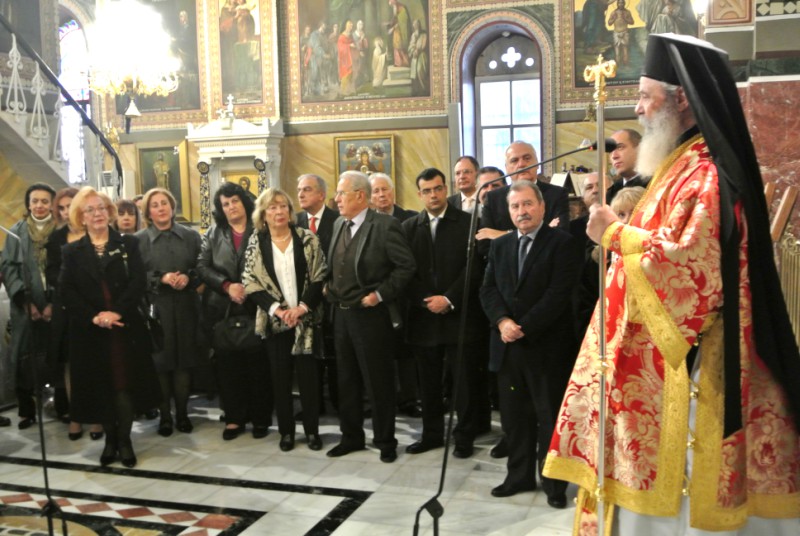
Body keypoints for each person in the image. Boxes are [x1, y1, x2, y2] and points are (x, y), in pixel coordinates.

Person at [544, 33, 800, 534]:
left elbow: (691, 267)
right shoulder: (678, 167)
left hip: (691, 366)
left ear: (681, 99)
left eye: (645, 96)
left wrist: (613, 233)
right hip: (653, 360)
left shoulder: (704, 173)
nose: (638, 109)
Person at [480, 181, 580, 507]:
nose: (521, 211)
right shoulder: (501, 245)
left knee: (548, 417)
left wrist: (522, 327)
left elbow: (558, 294)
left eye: (527, 204)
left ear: (541, 207)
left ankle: (553, 485)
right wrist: (502, 322)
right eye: (515, 206)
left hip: (546, 348)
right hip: (508, 348)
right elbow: (488, 289)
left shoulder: (562, 243)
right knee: (514, 418)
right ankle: (518, 477)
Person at [60, 187, 161, 468]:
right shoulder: (71, 251)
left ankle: (125, 440)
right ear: (81, 217)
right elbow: (67, 291)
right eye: (90, 210)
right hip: (91, 332)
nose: (97, 214)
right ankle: (110, 440)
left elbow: (138, 282)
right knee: (101, 386)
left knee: (123, 385)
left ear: (109, 212)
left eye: (101, 208)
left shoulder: (128, 244)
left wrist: (116, 311)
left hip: (125, 327)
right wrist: (94, 316)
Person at [324, 171, 416, 463]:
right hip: (341, 315)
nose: (337, 199)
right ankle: (351, 437)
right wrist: (328, 285)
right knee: (346, 380)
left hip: (371, 317)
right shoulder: (338, 223)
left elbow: (406, 266)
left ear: (360, 196)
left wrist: (380, 294)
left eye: (342, 193)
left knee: (378, 382)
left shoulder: (385, 225)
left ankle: (385, 441)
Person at [402, 168, 487, 458]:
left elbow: (475, 267)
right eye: (427, 191)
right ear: (419, 194)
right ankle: (432, 435)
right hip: (424, 316)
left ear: (445, 189)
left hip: (459, 315)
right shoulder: (409, 227)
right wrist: (426, 300)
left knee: (463, 383)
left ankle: (464, 436)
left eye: (438, 188)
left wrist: (449, 298)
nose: (433, 195)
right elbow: (405, 270)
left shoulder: (468, 222)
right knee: (428, 383)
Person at [242, 188, 326, 452]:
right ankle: (287, 432)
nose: (278, 212)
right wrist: (278, 311)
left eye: (283, 206)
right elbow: (250, 282)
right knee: (280, 379)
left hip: (305, 320)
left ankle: (312, 431)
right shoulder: (256, 242)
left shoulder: (307, 238)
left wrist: (301, 308)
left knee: (309, 379)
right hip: (275, 322)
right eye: (272, 207)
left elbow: (320, 276)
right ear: (263, 214)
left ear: (290, 212)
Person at [197, 182, 272, 441]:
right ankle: (234, 418)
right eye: (225, 204)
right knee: (228, 368)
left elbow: (271, 263)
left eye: (234, 201)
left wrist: (248, 287)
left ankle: (260, 417)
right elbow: (202, 266)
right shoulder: (214, 232)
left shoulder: (261, 229)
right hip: (223, 309)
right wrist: (227, 286)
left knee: (258, 367)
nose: (231, 207)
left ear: (244, 202)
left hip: (257, 304)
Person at [136, 188, 203, 437]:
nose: (161, 208)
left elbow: (202, 267)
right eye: (154, 205)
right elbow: (134, 276)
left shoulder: (191, 236)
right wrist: (161, 278)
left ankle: (183, 414)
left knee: (184, 362)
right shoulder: (138, 240)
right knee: (161, 364)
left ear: (172, 207)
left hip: (186, 307)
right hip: (156, 309)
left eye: (164, 203)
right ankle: (165, 416)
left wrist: (188, 277)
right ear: (148, 212)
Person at [45, 187, 104, 441]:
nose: (65, 211)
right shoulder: (57, 239)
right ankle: (76, 416)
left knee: (96, 364)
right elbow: (51, 273)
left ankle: (98, 418)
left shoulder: (97, 233)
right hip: (67, 309)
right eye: (60, 208)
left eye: (70, 206)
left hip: (95, 307)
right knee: (72, 365)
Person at [0, 183, 56, 430]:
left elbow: (65, 268)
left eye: (44, 201)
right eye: (35, 201)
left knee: (57, 354)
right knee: (24, 356)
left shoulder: (61, 231)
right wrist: (26, 302)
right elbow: (9, 268)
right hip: (25, 305)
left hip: (55, 303)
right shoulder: (16, 232)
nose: (39, 205)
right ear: (28, 204)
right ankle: (27, 411)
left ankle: (62, 404)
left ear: (51, 204)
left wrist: (53, 303)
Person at [368, 172, 420, 417]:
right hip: (377, 296)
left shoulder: (411, 218)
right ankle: (383, 400)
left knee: (405, 352)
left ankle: (409, 399)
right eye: (376, 191)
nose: (381, 195)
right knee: (380, 352)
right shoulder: (366, 222)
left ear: (393, 192)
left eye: (384, 189)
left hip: (405, 296)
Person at [296, 174, 339, 414]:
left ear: (321, 194)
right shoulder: (295, 221)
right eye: (299, 190)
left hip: (331, 297)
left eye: (307, 189)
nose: (301, 194)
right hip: (303, 299)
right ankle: (314, 405)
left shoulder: (337, 221)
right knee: (309, 355)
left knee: (334, 355)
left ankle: (339, 404)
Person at [479, 141, 570, 242]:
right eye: (514, 160)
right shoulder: (493, 198)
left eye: (527, 158)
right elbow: (484, 243)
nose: (521, 164)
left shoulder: (557, 194)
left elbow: (560, 238)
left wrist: (502, 234)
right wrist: (545, 230)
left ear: (537, 163)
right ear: (506, 168)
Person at [606, 128, 645, 203]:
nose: (614, 156)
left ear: (639, 149)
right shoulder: (611, 193)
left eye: (620, 147)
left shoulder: (655, 184)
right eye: (610, 151)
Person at [384, 0, 410, 67]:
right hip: (396, 31)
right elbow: (395, 19)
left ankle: (404, 62)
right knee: (396, 45)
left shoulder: (402, 10)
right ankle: (398, 62)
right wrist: (389, 23)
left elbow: (401, 23)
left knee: (399, 46)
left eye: (392, 5)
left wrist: (392, 28)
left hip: (401, 31)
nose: (392, 7)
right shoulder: (396, 9)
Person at [607, 0, 634, 66]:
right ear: (617, 4)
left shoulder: (627, 12)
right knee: (617, 51)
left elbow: (632, 22)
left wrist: (625, 18)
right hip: (616, 33)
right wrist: (614, 18)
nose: (621, 4)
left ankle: (626, 64)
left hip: (625, 33)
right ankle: (617, 65)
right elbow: (609, 23)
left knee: (625, 50)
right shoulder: (614, 12)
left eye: (622, 3)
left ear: (624, 4)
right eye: (619, 3)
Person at [408, 19, 428, 95]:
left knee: (420, 71)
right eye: (414, 24)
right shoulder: (413, 35)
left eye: (417, 24)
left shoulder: (424, 34)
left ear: (419, 25)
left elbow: (423, 44)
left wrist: (418, 50)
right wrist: (413, 50)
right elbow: (411, 44)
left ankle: (423, 90)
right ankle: (416, 91)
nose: (415, 26)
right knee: (414, 74)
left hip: (421, 55)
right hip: (414, 56)